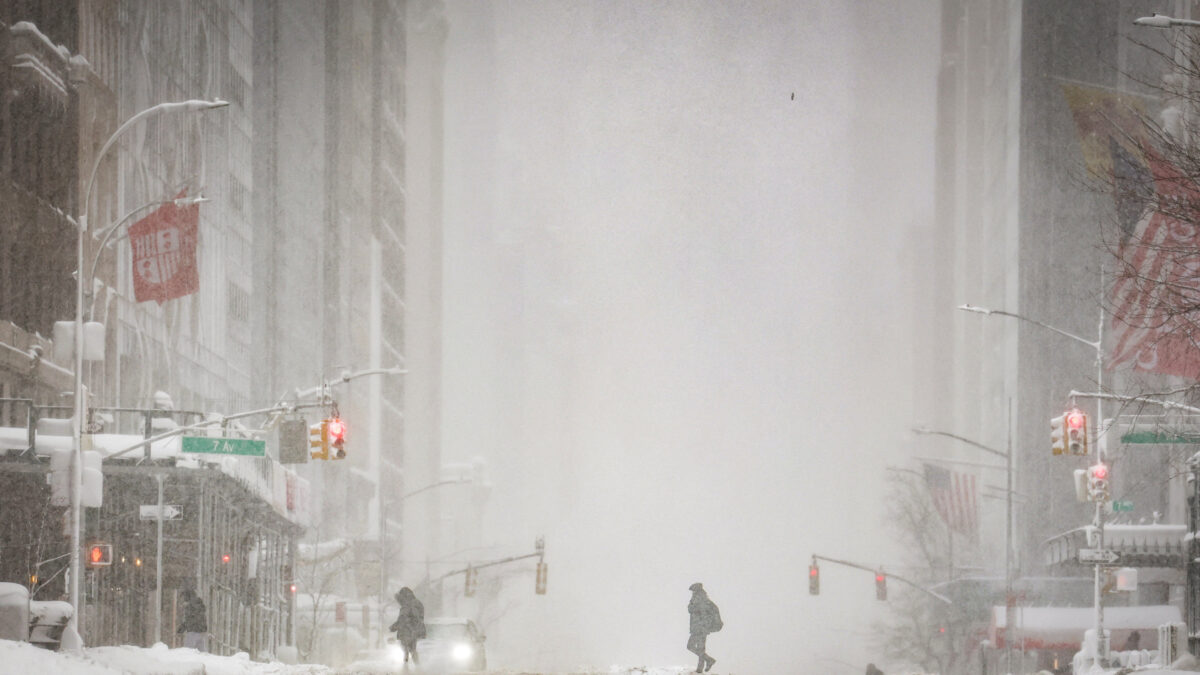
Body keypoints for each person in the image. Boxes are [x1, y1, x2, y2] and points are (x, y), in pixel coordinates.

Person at [687, 582, 721, 673]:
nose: (692, 592)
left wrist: (691, 604)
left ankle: (703, 665)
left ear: (696, 590)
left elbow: (691, 609)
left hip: (699, 628)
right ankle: (705, 664)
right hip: (700, 628)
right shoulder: (702, 599)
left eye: (693, 590)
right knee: (699, 648)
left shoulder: (699, 599)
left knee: (691, 646)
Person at [389, 586, 426, 664]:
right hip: (416, 631)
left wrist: (393, 627)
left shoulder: (407, 605)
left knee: (405, 651)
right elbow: (420, 618)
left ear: (403, 596)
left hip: (407, 631)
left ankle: (405, 669)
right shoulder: (418, 603)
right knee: (413, 650)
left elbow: (403, 620)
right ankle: (418, 668)